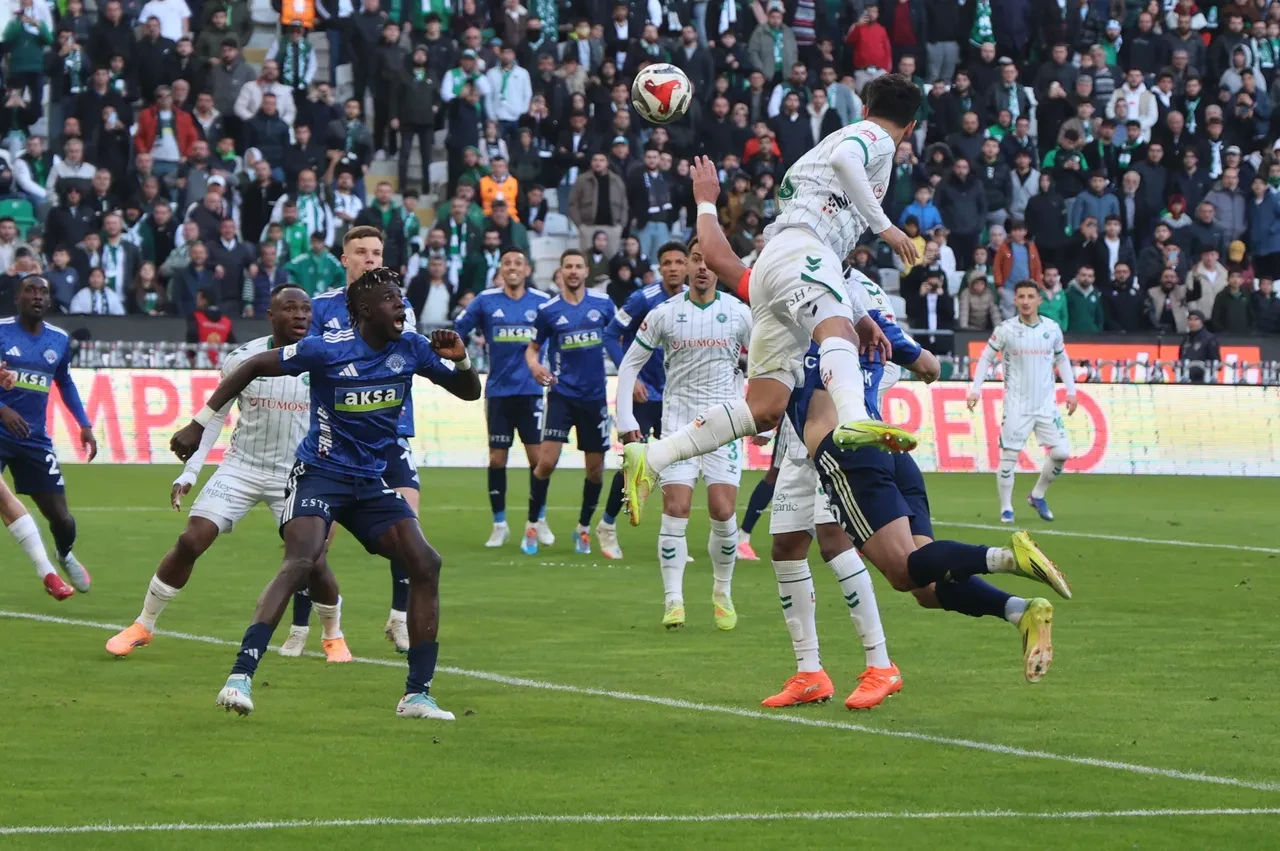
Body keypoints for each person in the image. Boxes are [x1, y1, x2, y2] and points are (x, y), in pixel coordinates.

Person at [170, 268, 481, 719]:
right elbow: (254, 365)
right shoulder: (328, 349)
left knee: (426, 561)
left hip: (370, 482)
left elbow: (468, 392)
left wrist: (462, 359)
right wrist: (200, 422)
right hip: (319, 474)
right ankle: (239, 677)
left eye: (401, 298)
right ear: (365, 311)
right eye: (392, 299)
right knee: (302, 560)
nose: (401, 305)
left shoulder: (411, 348)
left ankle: (417, 695)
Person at [621, 75, 919, 525]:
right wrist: (887, 228)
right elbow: (844, 160)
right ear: (911, 127)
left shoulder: (849, 150)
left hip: (776, 270)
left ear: (864, 105)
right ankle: (855, 418)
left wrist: (858, 313)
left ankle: (654, 455)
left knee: (764, 408)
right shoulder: (874, 137)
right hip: (800, 251)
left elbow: (824, 247)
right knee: (833, 331)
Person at [106, 286, 338, 657]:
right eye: (290, 308)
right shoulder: (243, 358)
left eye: (305, 310)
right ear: (270, 315)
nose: (299, 315)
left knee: (315, 561)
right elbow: (212, 418)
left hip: (297, 475)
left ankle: (333, 636)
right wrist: (189, 473)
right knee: (191, 540)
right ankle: (143, 624)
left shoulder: (324, 359)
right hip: (242, 467)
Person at [285, 226, 421, 655]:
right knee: (315, 541)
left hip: (389, 431)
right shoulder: (320, 306)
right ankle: (301, 625)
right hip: (338, 437)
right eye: (360, 252)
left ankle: (399, 620)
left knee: (409, 529)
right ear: (344, 259)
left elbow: (407, 357)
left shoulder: (402, 307)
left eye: (376, 253)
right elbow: (306, 361)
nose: (370, 259)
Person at [614, 239, 751, 629]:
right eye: (696, 260)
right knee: (676, 510)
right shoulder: (664, 314)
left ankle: (722, 591)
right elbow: (629, 366)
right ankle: (673, 600)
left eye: (709, 261)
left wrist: (758, 415)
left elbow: (761, 364)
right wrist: (627, 423)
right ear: (688, 267)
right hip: (677, 427)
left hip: (725, 426)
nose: (703, 267)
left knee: (724, 513)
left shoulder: (739, 313)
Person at [0, 276, 96, 594]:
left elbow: (64, 383)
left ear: (50, 301)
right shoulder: (2, 331)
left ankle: (64, 554)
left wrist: (84, 425)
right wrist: (3, 409)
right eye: (30, 290)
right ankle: (46, 572)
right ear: (18, 298)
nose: (37, 296)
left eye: (43, 292)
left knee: (62, 519)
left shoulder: (58, 340)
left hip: (33, 437)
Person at [452, 246, 551, 548]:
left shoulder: (544, 303)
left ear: (527, 270)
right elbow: (457, 330)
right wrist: (462, 359)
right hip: (498, 391)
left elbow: (559, 334)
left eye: (518, 263)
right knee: (497, 458)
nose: (512, 267)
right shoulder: (485, 300)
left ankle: (539, 520)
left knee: (538, 460)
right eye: (507, 262)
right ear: (501, 269)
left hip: (531, 392)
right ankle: (500, 524)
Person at [594, 242, 687, 559]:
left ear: (686, 266)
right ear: (659, 268)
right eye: (667, 262)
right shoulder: (641, 299)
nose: (673, 267)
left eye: (678, 262)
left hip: (677, 398)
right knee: (633, 462)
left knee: (676, 466)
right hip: (644, 394)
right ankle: (606, 526)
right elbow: (610, 334)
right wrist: (629, 378)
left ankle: (673, 541)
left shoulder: (693, 301)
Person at [521, 249, 617, 555]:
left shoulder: (603, 305)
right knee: (546, 462)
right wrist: (535, 367)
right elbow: (532, 349)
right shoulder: (549, 310)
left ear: (586, 271)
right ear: (560, 272)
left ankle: (583, 528)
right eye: (568, 267)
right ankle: (532, 524)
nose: (573, 271)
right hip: (562, 394)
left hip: (595, 398)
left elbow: (617, 339)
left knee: (596, 471)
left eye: (578, 266)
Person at [967, 281, 1078, 523]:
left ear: (1039, 300)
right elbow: (985, 358)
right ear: (1015, 300)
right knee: (1009, 457)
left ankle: (1037, 495)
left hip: (1046, 406)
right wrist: (975, 389)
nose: (1026, 301)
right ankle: (1006, 508)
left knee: (1061, 453)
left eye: (1030, 296)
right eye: (1021, 297)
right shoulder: (1005, 329)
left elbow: (1062, 360)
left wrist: (1071, 391)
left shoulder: (1052, 329)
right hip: (1017, 406)